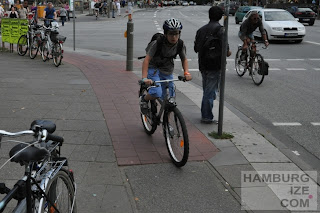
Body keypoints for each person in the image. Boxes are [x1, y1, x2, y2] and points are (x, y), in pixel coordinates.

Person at [140, 18, 192, 114]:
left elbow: (184, 59)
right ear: (165, 34)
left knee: (170, 100)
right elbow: (146, 60)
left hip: (167, 69)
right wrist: (144, 78)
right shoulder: (157, 43)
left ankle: (167, 126)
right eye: (171, 34)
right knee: (157, 92)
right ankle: (144, 99)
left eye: (176, 34)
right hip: (153, 68)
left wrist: (186, 72)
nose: (174, 37)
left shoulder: (180, 44)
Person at [194, 6, 231, 124]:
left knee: (207, 90)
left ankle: (206, 113)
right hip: (215, 65)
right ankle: (206, 116)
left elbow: (196, 48)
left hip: (203, 64)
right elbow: (227, 51)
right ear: (220, 17)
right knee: (210, 93)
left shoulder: (201, 30)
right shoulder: (221, 30)